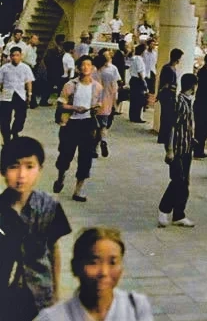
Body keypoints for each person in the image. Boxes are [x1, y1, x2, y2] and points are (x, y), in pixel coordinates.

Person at [0, 136, 73, 320]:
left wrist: (56, 291)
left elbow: (53, 250)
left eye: (29, 166)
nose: (21, 175)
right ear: (3, 172)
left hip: (38, 292)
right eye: (14, 166)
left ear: (40, 170)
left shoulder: (49, 207)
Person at [36, 227, 153, 321]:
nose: (104, 272)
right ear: (75, 267)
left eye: (113, 262)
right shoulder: (52, 317)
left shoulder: (136, 307)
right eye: (93, 263)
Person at [53, 56, 103, 203]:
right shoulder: (70, 85)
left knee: (86, 157)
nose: (86, 67)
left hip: (87, 124)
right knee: (65, 154)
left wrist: (96, 108)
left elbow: (99, 103)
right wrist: (75, 108)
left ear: (93, 68)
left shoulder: (97, 87)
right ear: (78, 68)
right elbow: (61, 104)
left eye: (89, 65)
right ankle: (61, 176)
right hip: (70, 123)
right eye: (83, 65)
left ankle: (78, 190)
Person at [158, 72, 197, 229]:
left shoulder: (188, 101)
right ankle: (164, 208)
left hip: (187, 147)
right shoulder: (179, 103)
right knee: (178, 180)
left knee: (184, 182)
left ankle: (179, 213)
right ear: (193, 86)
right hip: (178, 148)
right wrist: (170, 149)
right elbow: (172, 127)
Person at [0, 46, 34, 145]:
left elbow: (28, 82)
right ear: (10, 56)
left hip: (20, 94)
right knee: (4, 118)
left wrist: (29, 94)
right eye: (13, 55)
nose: (15, 57)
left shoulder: (25, 67)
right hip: (6, 95)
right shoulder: (4, 68)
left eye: (17, 55)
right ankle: (6, 138)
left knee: (21, 116)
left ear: (21, 56)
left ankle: (15, 131)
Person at [156, 48, 184, 147]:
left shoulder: (168, 68)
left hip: (168, 95)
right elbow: (166, 83)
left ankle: (164, 135)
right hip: (167, 95)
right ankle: (164, 136)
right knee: (166, 115)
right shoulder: (168, 69)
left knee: (166, 115)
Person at [126, 46, 148, 123]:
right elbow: (139, 72)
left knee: (134, 99)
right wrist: (143, 82)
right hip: (137, 80)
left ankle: (133, 116)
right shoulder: (139, 59)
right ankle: (136, 117)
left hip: (134, 80)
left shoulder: (135, 59)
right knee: (138, 99)